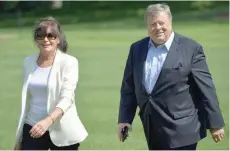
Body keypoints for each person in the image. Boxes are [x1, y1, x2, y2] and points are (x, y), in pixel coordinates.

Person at [117, 3, 225, 150]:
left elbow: (206, 88)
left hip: (183, 129)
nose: (158, 28)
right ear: (147, 26)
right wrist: (124, 119)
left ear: (170, 22)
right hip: (152, 127)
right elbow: (129, 88)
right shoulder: (137, 49)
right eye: (153, 24)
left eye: (161, 23)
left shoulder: (191, 48)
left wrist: (215, 124)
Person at [13, 16, 88, 150]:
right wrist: (20, 138)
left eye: (50, 36)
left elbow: (67, 98)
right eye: (40, 36)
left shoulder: (69, 62)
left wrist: (47, 121)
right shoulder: (28, 62)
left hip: (62, 129)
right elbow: (27, 101)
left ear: (58, 39)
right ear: (36, 40)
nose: (45, 40)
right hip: (32, 127)